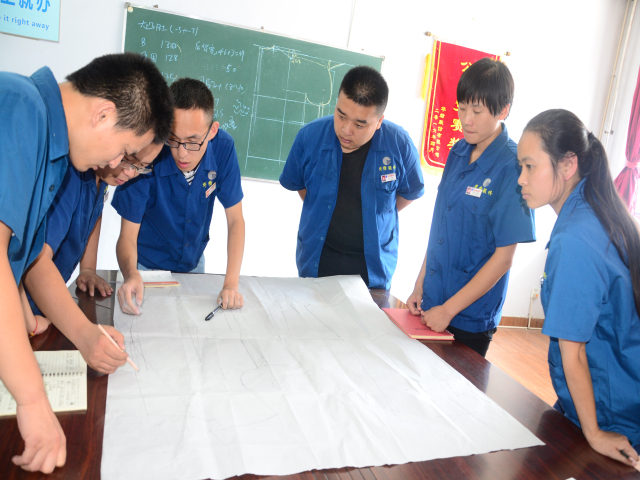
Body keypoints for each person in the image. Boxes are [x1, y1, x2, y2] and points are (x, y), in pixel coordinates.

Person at [0, 52, 173, 474]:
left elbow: (25, 258)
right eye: (125, 151)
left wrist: (64, 327)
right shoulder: (23, 108)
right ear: (103, 114)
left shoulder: (53, 151)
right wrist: (33, 400)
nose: (116, 165)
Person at [517, 109, 640, 467]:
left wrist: (595, 433)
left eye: (530, 166)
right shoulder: (595, 209)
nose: (521, 179)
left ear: (568, 164)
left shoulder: (576, 239)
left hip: (611, 413)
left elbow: (574, 354)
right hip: (619, 390)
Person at [407, 58, 535, 357]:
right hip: (433, 302)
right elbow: (441, 230)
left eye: (476, 112)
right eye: (462, 108)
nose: (467, 120)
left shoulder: (512, 167)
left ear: (503, 110)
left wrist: (449, 310)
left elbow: (504, 259)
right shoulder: (458, 151)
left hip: (469, 317)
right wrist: (420, 284)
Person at [279, 66, 424, 290]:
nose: (346, 130)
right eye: (341, 116)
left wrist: (374, 214)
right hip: (317, 262)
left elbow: (410, 193)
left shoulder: (399, 144)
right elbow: (300, 185)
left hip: (373, 270)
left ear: (379, 121)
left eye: (359, 124)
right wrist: (322, 209)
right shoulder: (310, 137)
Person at [113, 78, 245, 315]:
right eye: (173, 139)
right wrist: (131, 274)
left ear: (212, 131)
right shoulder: (148, 151)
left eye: (193, 142)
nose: (181, 153)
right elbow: (127, 235)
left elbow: (235, 220)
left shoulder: (223, 148)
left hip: (193, 265)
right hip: (144, 267)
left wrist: (231, 285)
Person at [23, 142, 164, 336]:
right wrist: (84, 332)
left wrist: (88, 268)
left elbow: (95, 213)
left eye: (141, 167)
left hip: (47, 303)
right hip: (24, 304)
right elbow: (37, 263)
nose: (131, 173)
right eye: (128, 161)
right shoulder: (71, 177)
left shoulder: (103, 177)